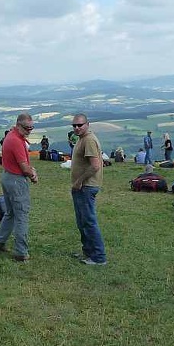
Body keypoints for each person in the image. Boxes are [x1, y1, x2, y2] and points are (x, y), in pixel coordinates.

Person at [0, 114, 38, 263]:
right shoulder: (16, 141)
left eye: (31, 128)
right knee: (21, 215)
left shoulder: (11, 135)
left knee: (10, 213)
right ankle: (20, 252)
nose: (29, 131)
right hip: (16, 180)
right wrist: (33, 175)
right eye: (26, 128)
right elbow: (24, 167)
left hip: (7, 177)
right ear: (18, 125)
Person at [70, 114, 107, 266]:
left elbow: (95, 165)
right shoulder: (82, 139)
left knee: (89, 221)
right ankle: (88, 252)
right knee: (82, 221)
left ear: (87, 124)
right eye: (74, 126)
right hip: (81, 186)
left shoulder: (89, 140)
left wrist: (79, 181)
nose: (77, 128)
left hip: (86, 186)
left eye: (80, 125)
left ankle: (98, 257)